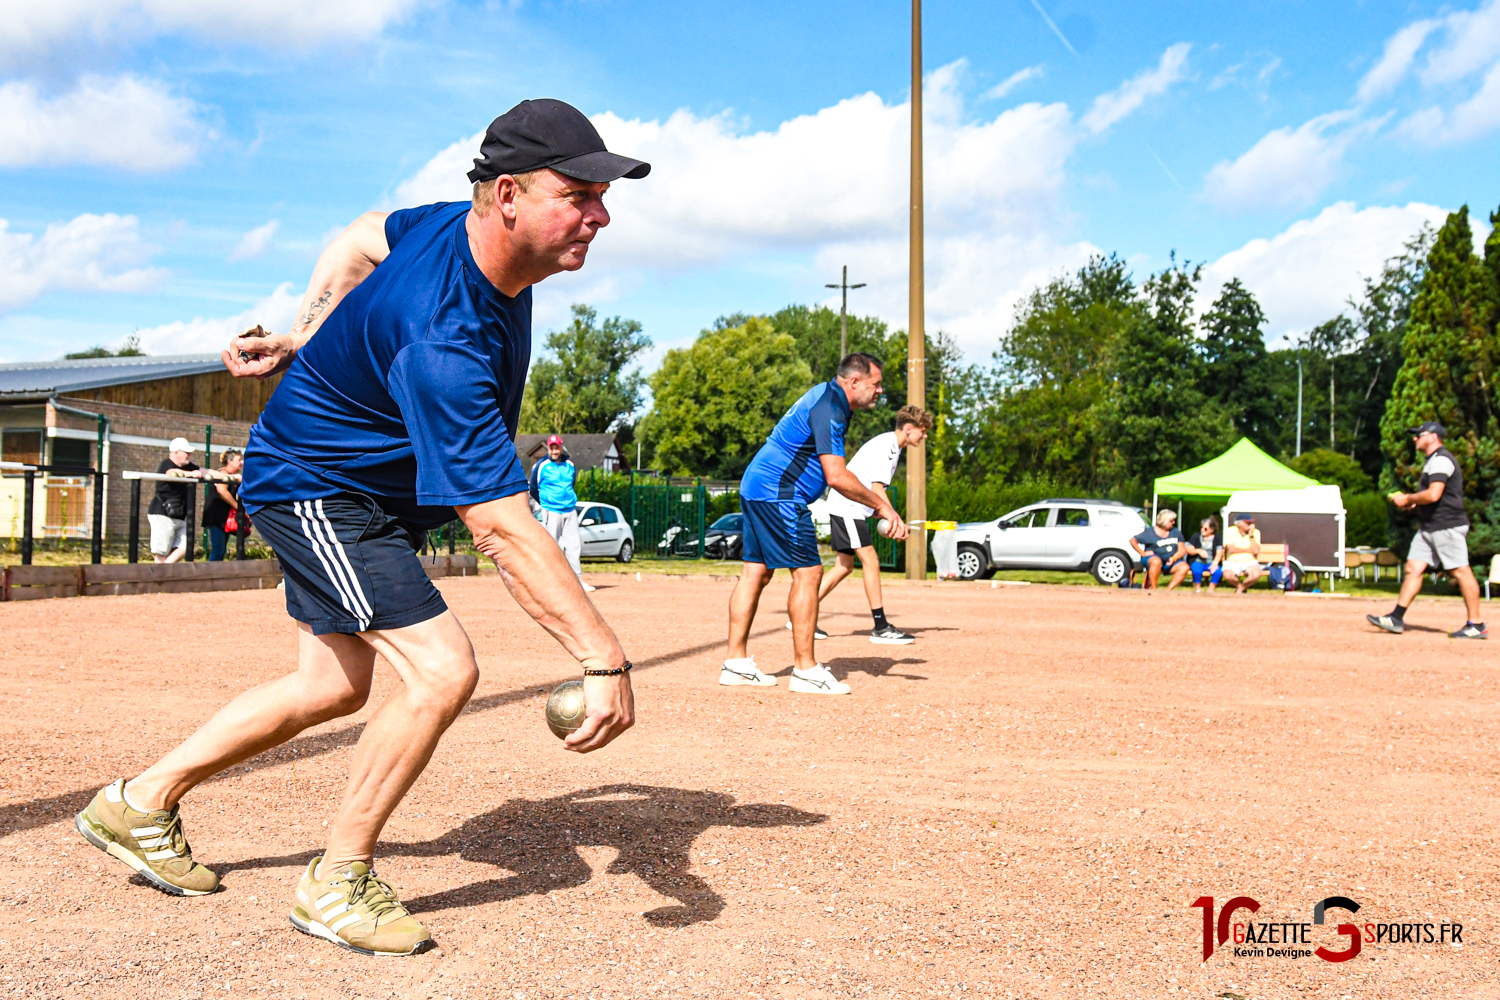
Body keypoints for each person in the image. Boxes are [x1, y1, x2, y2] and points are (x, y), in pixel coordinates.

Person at [74, 99, 646, 957]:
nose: (599, 216)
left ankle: (139, 800)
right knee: (442, 669)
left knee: (331, 689)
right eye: (578, 194)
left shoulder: (451, 232)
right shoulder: (442, 336)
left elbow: (357, 233)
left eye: (603, 195)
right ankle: (337, 879)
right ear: (507, 197)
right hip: (319, 490)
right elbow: (498, 526)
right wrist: (602, 657)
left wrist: (306, 331)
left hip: (356, 495)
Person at [720, 353, 907, 695]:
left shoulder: (827, 397)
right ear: (854, 382)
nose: (880, 391)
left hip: (758, 485)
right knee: (809, 573)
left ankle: (736, 663)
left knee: (756, 572)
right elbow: (836, 475)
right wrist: (883, 506)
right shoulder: (831, 407)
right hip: (779, 493)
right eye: (875, 384)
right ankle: (805, 669)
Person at [816, 405, 932, 643]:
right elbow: (877, 490)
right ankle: (880, 626)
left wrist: (884, 514)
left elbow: (874, 491)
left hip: (848, 507)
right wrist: (895, 518)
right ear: (909, 429)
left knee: (844, 566)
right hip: (847, 507)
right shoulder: (888, 447)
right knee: (871, 560)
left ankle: (801, 613)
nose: (925, 435)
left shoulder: (891, 445)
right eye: (923, 430)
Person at [1367, 421, 1486, 638]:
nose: (1414, 439)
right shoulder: (1433, 461)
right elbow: (1432, 497)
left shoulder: (1441, 460)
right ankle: (1396, 617)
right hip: (1430, 527)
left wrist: (1408, 498)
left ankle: (1476, 624)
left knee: (1460, 571)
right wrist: (1415, 503)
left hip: (1447, 525)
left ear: (1433, 437)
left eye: (1418, 435)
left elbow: (1433, 494)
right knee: (1413, 568)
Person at [528, 434, 592, 591]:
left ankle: (577, 581)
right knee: (553, 546)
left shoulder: (569, 464)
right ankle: (551, 581)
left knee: (574, 546)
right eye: (552, 447)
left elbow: (572, 483)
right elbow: (533, 488)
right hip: (551, 510)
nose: (555, 450)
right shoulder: (541, 466)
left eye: (557, 447)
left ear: (561, 447)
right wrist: (546, 504)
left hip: (569, 509)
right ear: (548, 449)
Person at [147, 437, 201, 563]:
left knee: (187, 545)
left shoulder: (189, 467)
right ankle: (159, 578)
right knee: (162, 552)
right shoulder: (166, 464)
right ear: (176, 452)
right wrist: (191, 474)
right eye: (186, 452)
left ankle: (165, 571)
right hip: (163, 513)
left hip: (179, 514)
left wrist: (227, 475)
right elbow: (171, 472)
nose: (189, 455)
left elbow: (205, 471)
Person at [1128, 509, 1188, 589]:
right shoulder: (1150, 532)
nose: (1173, 522)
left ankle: (1168, 591)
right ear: (1164, 521)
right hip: (1152, 559)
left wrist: (1174, 558)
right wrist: (1142, 553)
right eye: (1171, 521)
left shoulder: (1175, 532)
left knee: (1184, 567)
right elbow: (1133, 540)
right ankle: (1154, 589)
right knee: (1156, 561)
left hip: (1170, 561)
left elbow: (1182, 549)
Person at [202, 449, 244, 562]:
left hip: (224, 517)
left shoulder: (232, 476)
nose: (242, 462)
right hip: (217, 517)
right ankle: (211, 574)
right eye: (239, 459)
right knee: (218, 549)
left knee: (221, 549)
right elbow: (222, 491)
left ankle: (214, 573)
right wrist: (238, 507)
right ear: (230, 462)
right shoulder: (223, 474)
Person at [1221, 513, 1264, 593]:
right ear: (1239, 523)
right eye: (1247, 523)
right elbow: (1231, 549)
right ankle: (1241, 587)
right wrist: (1247, 550)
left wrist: (1251, 535)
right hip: (1232, 561)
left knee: (1256, 574)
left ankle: (1240, 589)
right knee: (1228, 575)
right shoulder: (1231, 531)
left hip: (1250, 562)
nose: (1250, 525)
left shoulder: (1256, 532)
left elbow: (1255, 551)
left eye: (1251, 523)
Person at [1185, 516, 1223, 593]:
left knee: (1218, 571)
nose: (1202, 530)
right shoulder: (1196, 536)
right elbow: (1189, 549)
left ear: (1212, 530)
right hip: (1198, 561)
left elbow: (1219, 552)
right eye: (1201, 528)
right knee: (1196, 570)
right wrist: (1198, 551)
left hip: (1211, 562)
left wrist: (1215, 563)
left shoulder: (1217, 537)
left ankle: (1211, 590)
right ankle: (1197, 589)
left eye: (1205, 529)